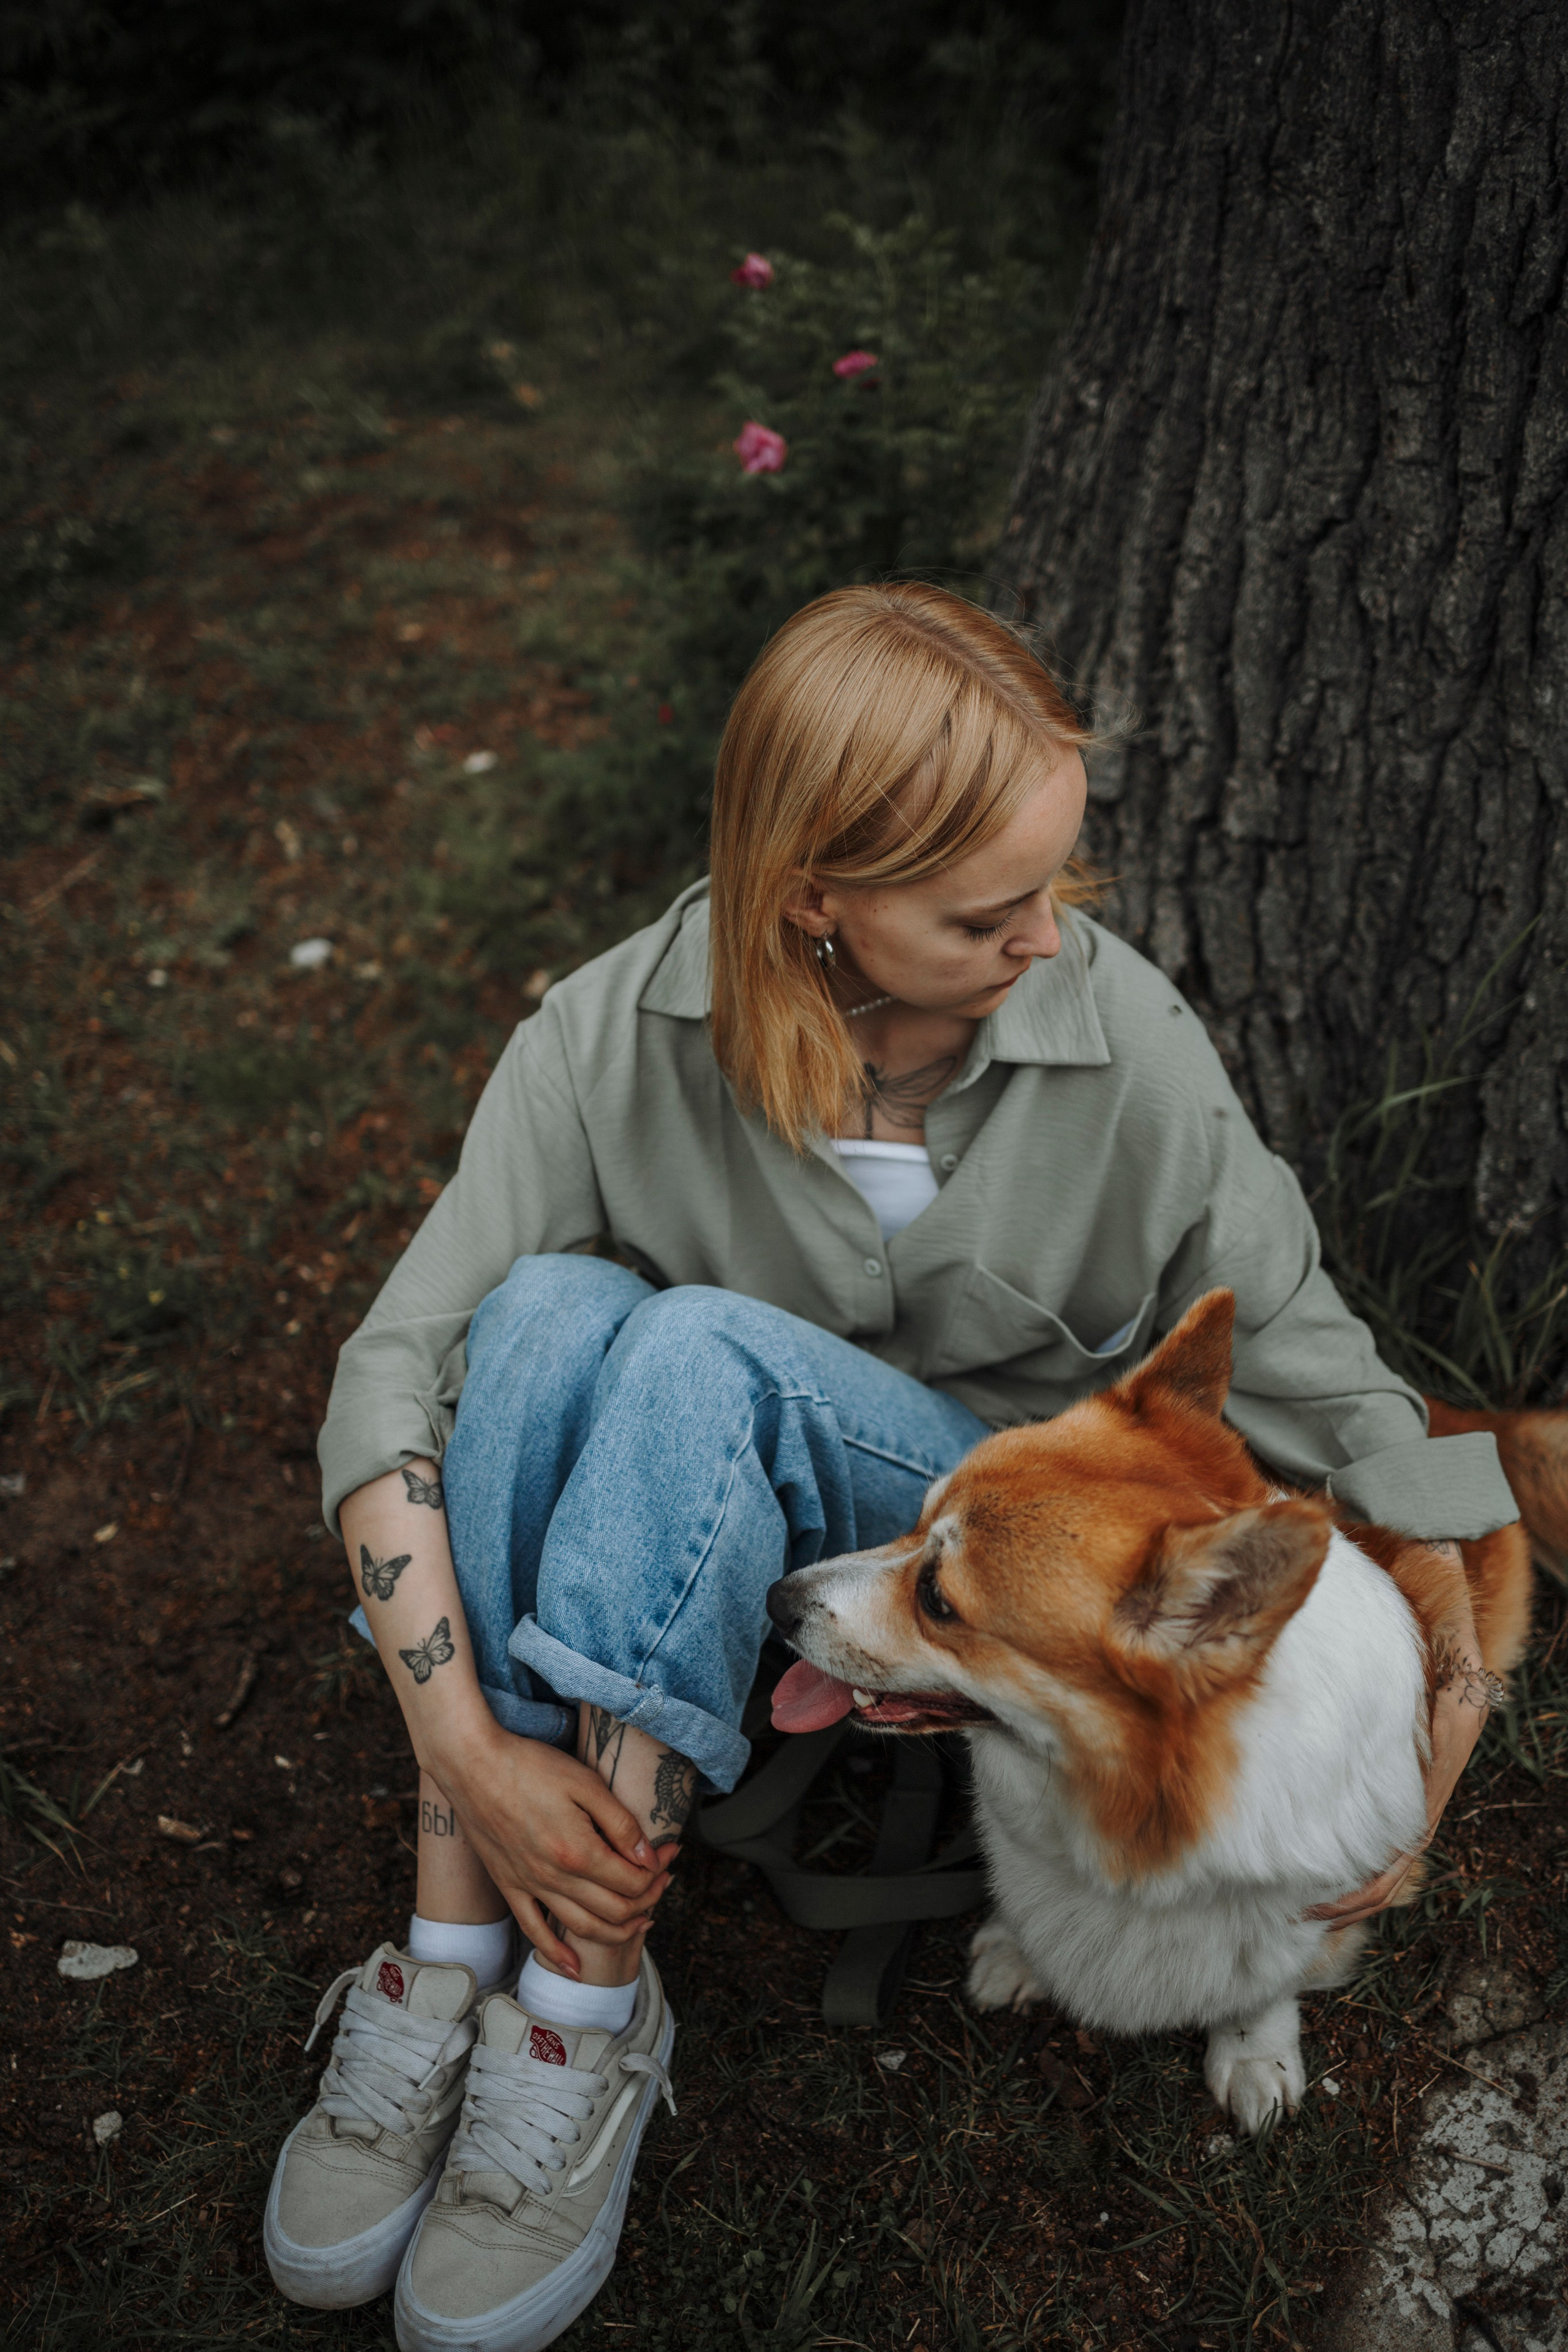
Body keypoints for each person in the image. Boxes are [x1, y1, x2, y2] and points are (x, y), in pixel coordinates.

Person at [265, 582, 1517, 2351]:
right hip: (716, 1538)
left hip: (970, 1560)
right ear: (814, 898)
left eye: (1059, 885)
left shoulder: (1127, 1043)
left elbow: (1321, 1366)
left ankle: (584, 2008)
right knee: (538, 1311)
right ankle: (454, 1952)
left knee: (689, 1344)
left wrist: (1452, 1660)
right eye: (988, 913)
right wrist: (462, 1747)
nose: (1049, 940)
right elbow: (391, 1374)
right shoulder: (605, 1038)